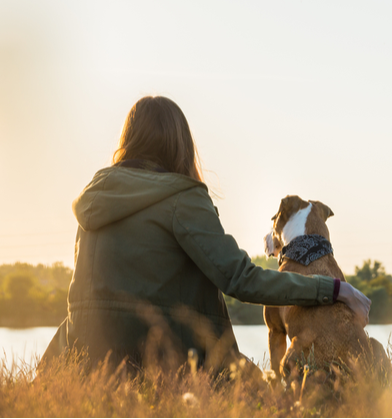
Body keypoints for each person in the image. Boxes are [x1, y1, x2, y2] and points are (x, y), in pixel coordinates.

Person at [41, 95, 371, 373]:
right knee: (272, 399)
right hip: (170, 361)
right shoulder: (183, 198)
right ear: (180, 143)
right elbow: (243, 280)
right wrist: (335, 289)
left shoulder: (95, 199)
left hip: (84, 361)